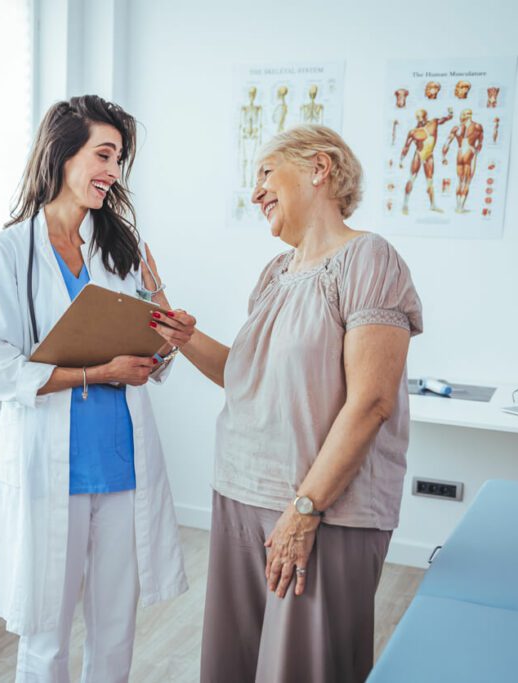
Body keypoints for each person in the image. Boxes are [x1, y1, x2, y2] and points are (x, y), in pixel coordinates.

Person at [152, 124, 423, 682]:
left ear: (319, 169)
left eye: (265, 174)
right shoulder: (275, 274)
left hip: (320, 511)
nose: (255, 194)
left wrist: (305, 510)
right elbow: (246, 378)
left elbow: (372, 401)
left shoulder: (370, 260)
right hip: (241, 497)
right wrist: (177, 329)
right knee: (237, 666)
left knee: (299, 671)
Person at [0, 95, 190, 683]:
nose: (113, 172)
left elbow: (149, 352)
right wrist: (98, 372)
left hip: (121, 463)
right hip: (52, 469)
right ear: (62, 152)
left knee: (115, 629)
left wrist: (170, 335)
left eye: (118, 159)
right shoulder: (8, 252)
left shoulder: (121, 247)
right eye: (104, 154)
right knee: (46, 630)